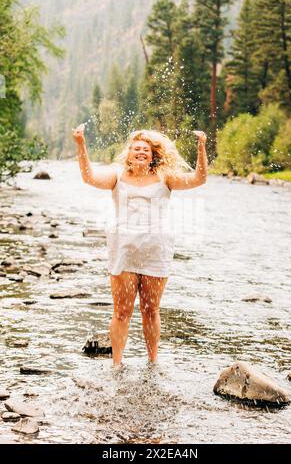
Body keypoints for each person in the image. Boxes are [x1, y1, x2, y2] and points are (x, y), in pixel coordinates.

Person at [72, 126, 208, 367]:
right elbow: (88, 177)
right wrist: (80, 143)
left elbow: (199, 179)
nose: (141, 152)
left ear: (152, 154)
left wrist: (201, 148)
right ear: (129, 153)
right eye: (136, 149)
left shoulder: (166, 177)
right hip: (124, 251)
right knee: (122, 311)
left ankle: (153, 362)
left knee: (150, 309)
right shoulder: (117, 175)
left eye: (145, 149)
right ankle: (116, 364)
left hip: (155, 251)